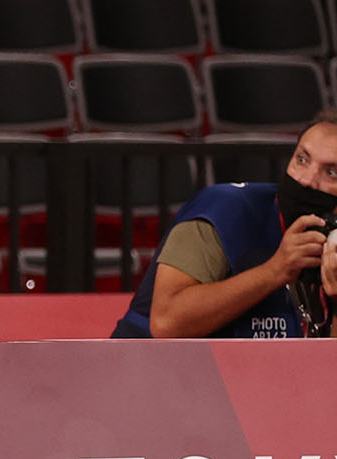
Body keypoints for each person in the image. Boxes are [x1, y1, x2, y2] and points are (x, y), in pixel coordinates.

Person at [113, 110, 337, 338]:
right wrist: (276, 270)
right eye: (302, 159)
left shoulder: (330, 242)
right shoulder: (224, 210)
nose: (306, 180)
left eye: (331, 173)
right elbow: (165, 322)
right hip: (144, 358)